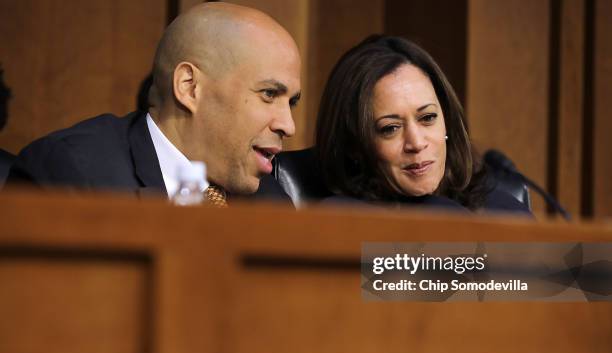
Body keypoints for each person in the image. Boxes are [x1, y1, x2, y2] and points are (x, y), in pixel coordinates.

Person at [8, 2, 301, 205]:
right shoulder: (73, 175)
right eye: (269, 94)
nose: (288, 125)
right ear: (189, 87)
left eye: (292, 102)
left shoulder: (270, 198)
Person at [315, 35, 530, 214]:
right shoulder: (340, 219)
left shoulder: (504, 211)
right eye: (390, 128)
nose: (416, 143)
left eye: (427, 118)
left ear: (447, 120)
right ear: (355, 146)